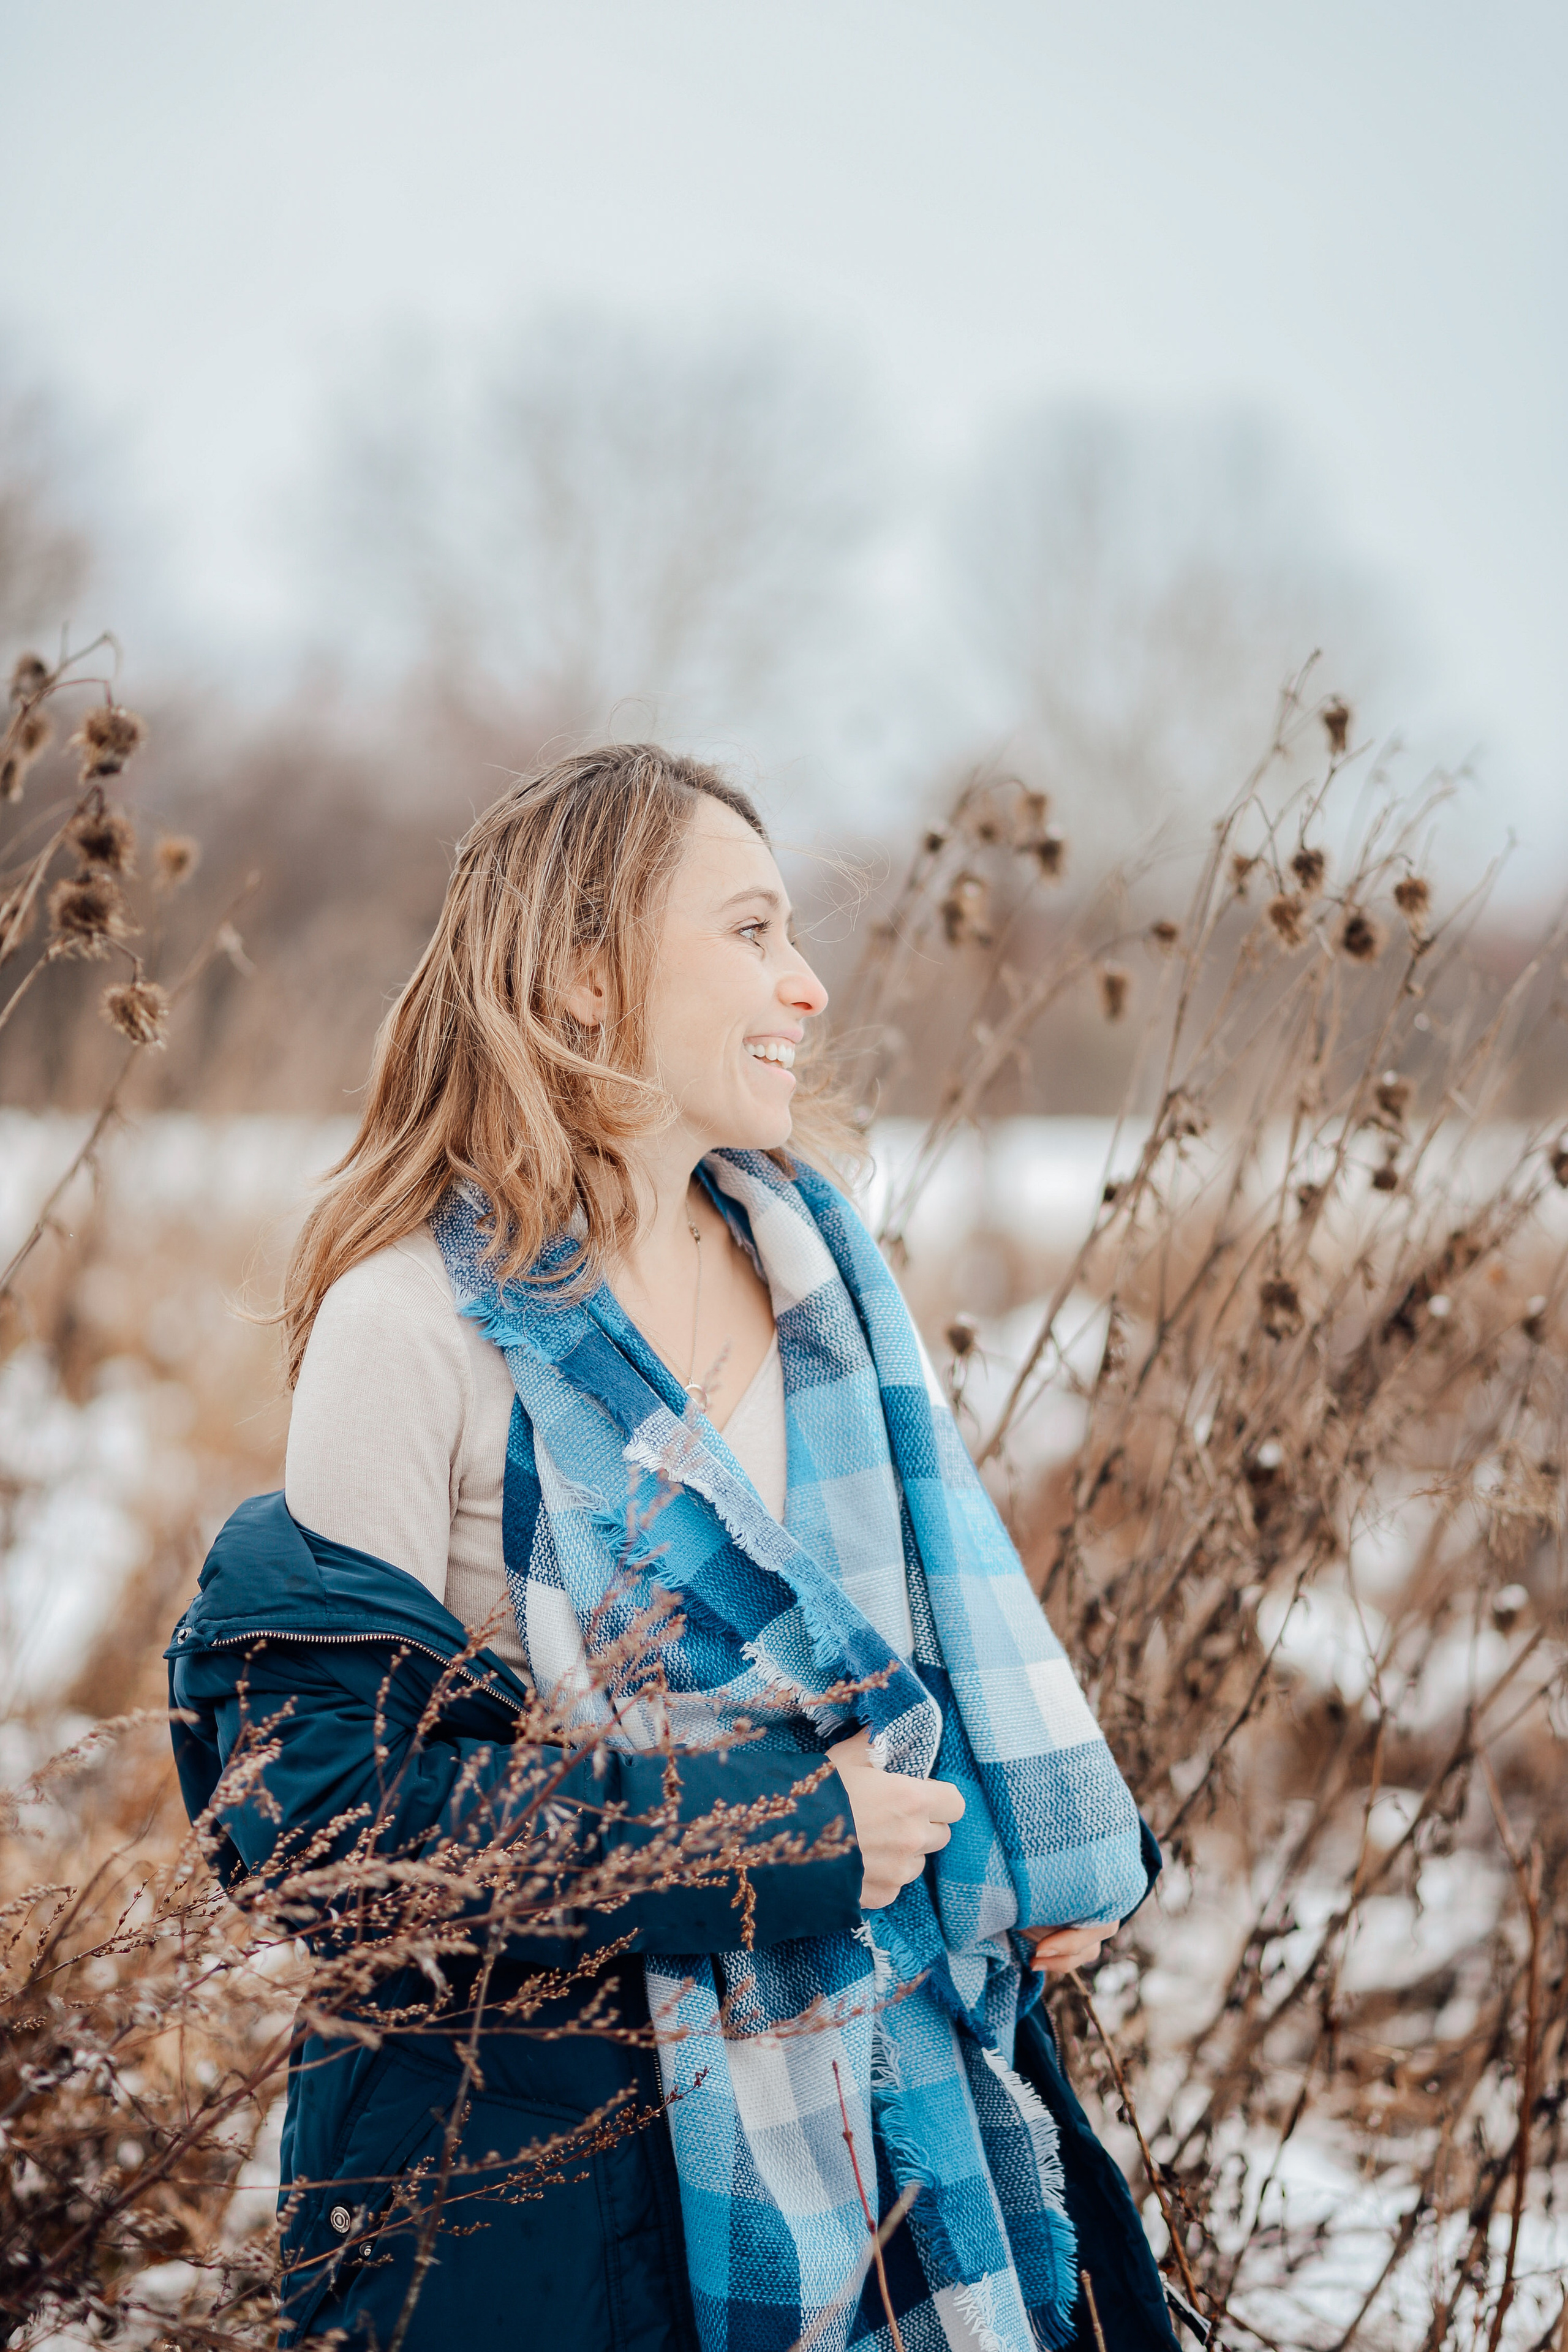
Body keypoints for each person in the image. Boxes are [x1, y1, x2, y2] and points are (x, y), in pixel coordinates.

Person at [167, 746, 1180, 2352]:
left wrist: (1030, 1837)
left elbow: (897, 1662)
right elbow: (330, 1827)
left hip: (901, 2116)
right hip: (538, 2180)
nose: (809, 984)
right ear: (586, 979)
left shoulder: (822, 1283)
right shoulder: (410, 1325)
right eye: (752, 931)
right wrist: (786, 1836)